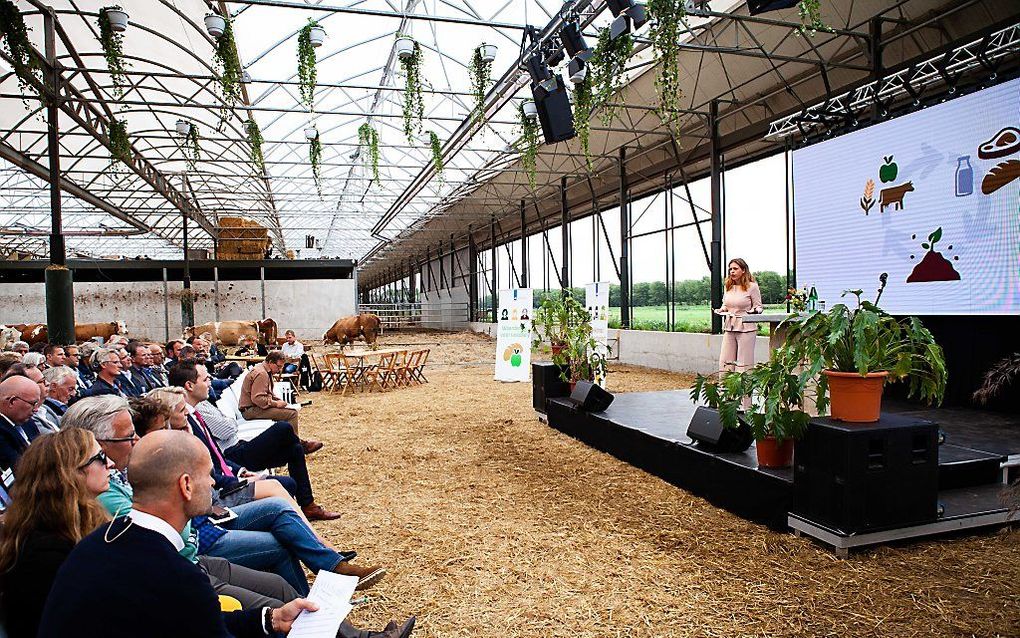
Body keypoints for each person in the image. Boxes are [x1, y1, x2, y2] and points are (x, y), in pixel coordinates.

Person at [62, 401, 384, 596]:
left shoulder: (120, 474)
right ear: (97, 443)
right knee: (279, 512)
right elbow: (173, 528)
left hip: (207, 514)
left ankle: (329, 572)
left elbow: (218, 452)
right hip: (202, 534)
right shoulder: (112, 485)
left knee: (279, 494)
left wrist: (233, 475)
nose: (136, 440)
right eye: (128, 435)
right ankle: (314, 602)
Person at [37, 430, 319, 638]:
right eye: (207, 474)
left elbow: (193, 620)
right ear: (185, 485)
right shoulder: (176, 575)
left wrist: (269, 619)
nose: (212, 482)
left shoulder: (102, 541)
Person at [173, 361, 339, 521]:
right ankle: (302, 446)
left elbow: (227, 428)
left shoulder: (201, 406)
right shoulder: (192, 415)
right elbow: (228, 429)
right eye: (205, 379)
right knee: (283, 427)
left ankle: (308, 504)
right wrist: (238, 476)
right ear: (189, 386)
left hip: (237, 450)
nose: (210, 383)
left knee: (293, 449)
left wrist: (239, 470)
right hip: (233, 453)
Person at [0, 428, 115, 638]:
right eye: (100, 457)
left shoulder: (80, 523)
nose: (110, 464)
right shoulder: (44, 552)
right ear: (70, 472)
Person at [239, 351, 307, 438]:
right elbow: (257, 399)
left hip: (252, 408)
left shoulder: (264, 370)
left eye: (281, 367)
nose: (280, 370)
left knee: (288, 411)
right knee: (292, 414)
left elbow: (266, 394)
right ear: (270, 362)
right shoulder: (262, 374)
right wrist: (276, 404)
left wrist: (278, 400)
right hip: (250, 410)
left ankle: (289, 440)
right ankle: (295, 445)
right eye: (278, 366)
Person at [715, 257, 763, 374]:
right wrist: (721, 310)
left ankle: (744, 392)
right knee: (725, 361)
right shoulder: (728, 286)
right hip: (729, 326)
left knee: (744, 363)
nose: (732, 271)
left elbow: (759, 307)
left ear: (743, 270)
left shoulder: (752, 287)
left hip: (746, 327)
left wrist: (753, 311)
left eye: (735, 268)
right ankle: (725, 390)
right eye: (730, 269)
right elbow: (726, 305)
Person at [0, 375, 41, 470]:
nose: (36, 410)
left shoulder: (26, 421)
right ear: (12, 402)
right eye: (33, 404)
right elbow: (22, 470)